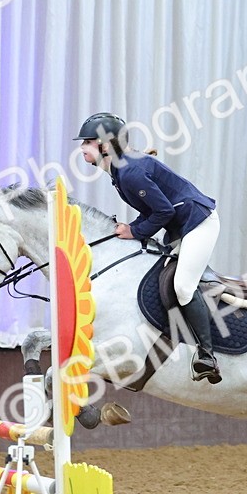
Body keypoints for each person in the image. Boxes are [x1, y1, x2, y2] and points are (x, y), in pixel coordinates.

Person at [74, 112, 222, 384]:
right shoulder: (120, 171)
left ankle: (207, 355)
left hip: (198, 222)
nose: (82, 148)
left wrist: (135, 231)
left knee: (183, 287)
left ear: (105, 146)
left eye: (88, 142)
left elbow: (163, 211)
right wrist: (132, 228)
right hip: (180, 226)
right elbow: (155, 209)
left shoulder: (129, 173)